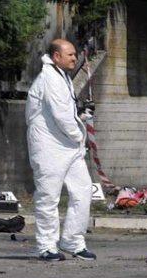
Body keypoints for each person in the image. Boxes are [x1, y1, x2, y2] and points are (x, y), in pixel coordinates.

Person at [26, 39, 96, 262]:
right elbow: (61, 116)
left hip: (68, 145)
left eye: (75, 55)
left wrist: (80, 116)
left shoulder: (62, 76)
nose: (75, 58)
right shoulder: (49, 78)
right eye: (71, 55)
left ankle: (73, 240)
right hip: (49, 147)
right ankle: (47, 246)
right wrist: (80, 136)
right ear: (56, 56)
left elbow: (67, 112)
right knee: (48, 196)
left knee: (83, 190)